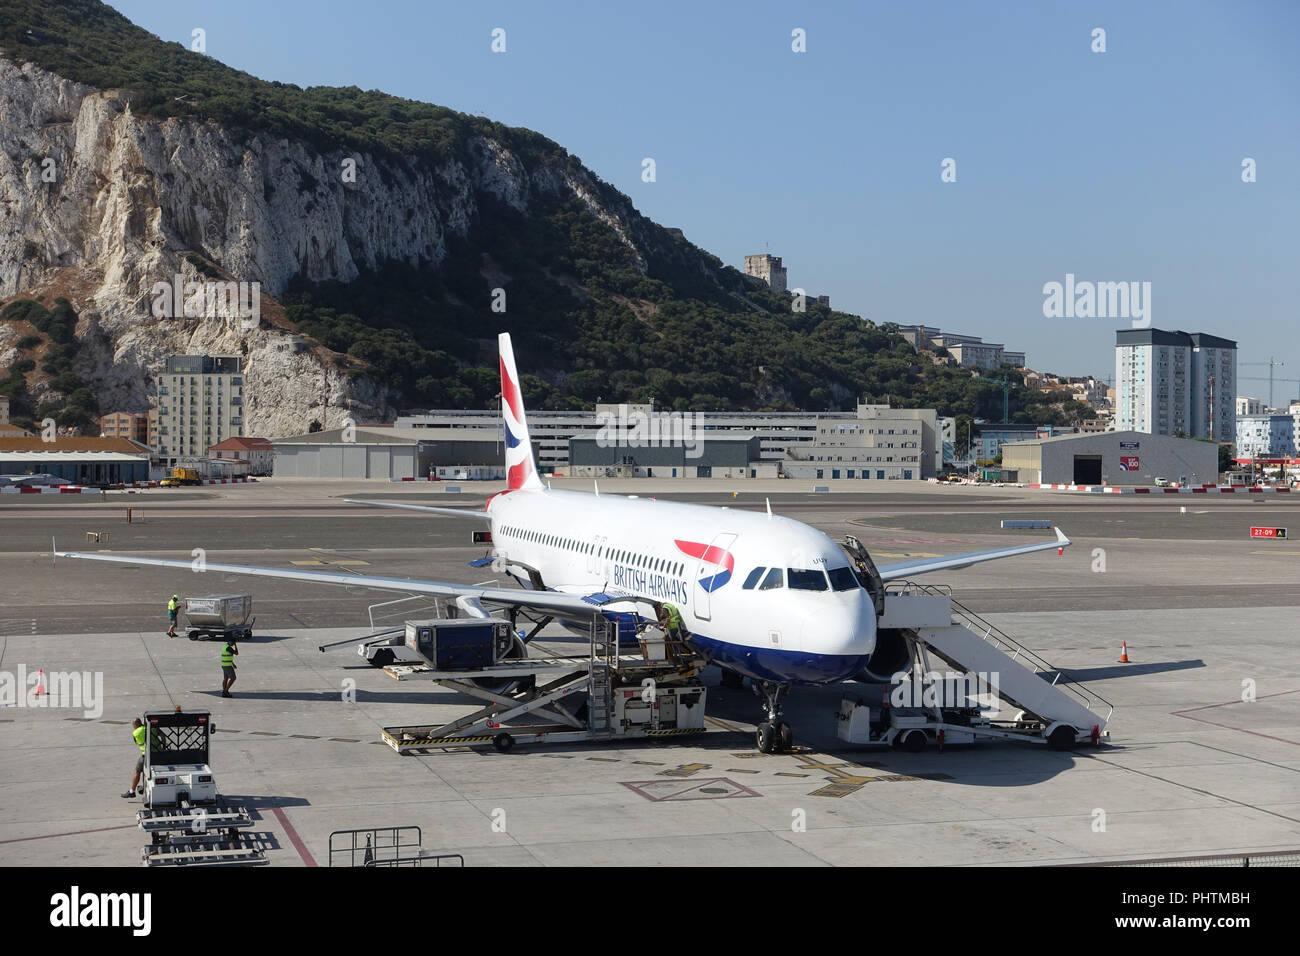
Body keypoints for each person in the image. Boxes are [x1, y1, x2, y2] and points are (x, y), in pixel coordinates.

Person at [121, 718, 146, 798]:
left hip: (145, 755)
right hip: (157, 752)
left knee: (137, 771)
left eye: (133, 725)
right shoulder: (149, 728)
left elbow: (136, 742)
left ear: (136, 725)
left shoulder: (136, 732)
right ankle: (144, 786)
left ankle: (132, 791)